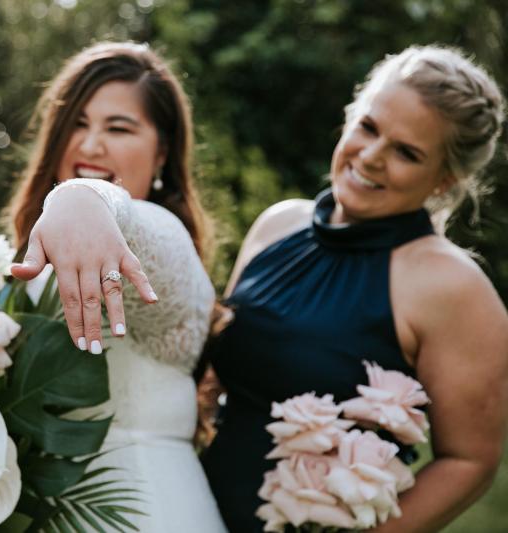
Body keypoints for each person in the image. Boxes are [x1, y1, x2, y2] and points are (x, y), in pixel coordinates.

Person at [199, 45, 508, 531]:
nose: (371, 156)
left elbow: (470, 461)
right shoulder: (277, 225)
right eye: (368, 127)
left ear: (443, 179)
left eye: (406, 152)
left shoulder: (454, 287)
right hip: (189, 500)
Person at [9, 41, 227, 531]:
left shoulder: (160, 235)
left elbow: (132, 222)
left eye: (118, 128)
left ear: (163, 151)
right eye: (78, 125)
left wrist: (86, 196)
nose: (90, 146)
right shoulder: (32, 258)